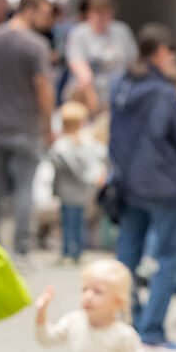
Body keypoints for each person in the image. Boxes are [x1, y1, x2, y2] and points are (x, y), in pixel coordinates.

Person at [109, 24, 176, 348]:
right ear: (161, 52)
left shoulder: (120, 85)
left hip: (127, 183)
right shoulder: (163, 93)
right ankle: (151, 332)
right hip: (164, 186)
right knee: (169, 258)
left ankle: (129, 320)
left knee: (127, 257)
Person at [0, 0, 55, 261]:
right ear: (30, 9)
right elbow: (43, 89)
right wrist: (48, 126)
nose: (47, 19)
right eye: (44, 13)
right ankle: (21, 249)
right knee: (25, 188)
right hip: (26, 125)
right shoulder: (36, 45)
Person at [50, 100, 107, 264]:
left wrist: (54, 190)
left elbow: (56, 168)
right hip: (82, 192)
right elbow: (100, 157)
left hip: (66, 193)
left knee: (67, 223)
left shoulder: (61, 146)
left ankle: (68, 251)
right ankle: (77, 251)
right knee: (79, 222)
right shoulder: (87, 144)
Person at [65, 0, 138, 114]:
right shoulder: (79, 34)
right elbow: (81, 70)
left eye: (107, 14)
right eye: (99, 14)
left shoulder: (121, 31)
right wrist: (94, 105)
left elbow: (132, 62)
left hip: (117, 95)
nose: (103, 19)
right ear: (90, 13)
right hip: (88, 97)